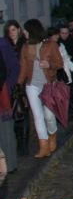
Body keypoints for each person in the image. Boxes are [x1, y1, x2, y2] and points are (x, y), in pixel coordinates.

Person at [17, 19, 63, 158]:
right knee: (38, 116)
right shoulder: (25, 47)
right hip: (32, 85)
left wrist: (49, 65)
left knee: (49, 116)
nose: (23, 32)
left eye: (25, 30)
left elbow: (59, 63)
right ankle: (43, 146)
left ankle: (52, 135)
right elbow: (24, 68)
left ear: (32, 30)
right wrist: (18, 84)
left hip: (48, 84)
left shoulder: (50, 44)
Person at [4, 20, 28, 156]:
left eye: (13, 29)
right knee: (13, 111)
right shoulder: (6, 45)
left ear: (18, 29)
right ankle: (18, 141)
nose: (11, 33)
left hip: (23, 81)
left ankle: (24, 144)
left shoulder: (24, 44)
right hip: (11, 82)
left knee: (22, 110)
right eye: (9, 30)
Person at [0, 37, 19, 171]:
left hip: (2, 92)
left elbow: (14, 68)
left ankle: (10, 165)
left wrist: (9, 86)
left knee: (5, 131)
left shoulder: (2, 44)